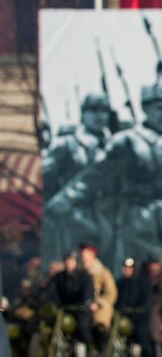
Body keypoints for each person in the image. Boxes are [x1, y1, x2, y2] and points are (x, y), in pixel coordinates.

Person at [46, 85, 162, 277]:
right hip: (131, 214)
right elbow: (95, 174)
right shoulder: (127, 140)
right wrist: (64, 200)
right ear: (145, 109)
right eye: (158, 109)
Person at [42, 93, 112, 267]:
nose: (99, 116)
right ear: (84, 113)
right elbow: (44, 177)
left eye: (104, 111)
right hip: (73, 215)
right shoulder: (67, 144)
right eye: (94, 110)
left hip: (110, 215)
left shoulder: (115, 145)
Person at [44, 251, 95, 357]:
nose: (68, 263)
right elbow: (49, 291)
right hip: (63, 309)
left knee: (82, 327)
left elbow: (87, 293)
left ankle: (90, 354)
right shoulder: (59, 277)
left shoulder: (85, 276)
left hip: (80, 310)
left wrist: (85, 302)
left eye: (71, 260)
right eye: (67, 260)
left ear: (76, 262)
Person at [116, 257, 154, 357]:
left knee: (142, 339)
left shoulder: (143, 283)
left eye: (128, 268)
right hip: (125, 317)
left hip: (140, 318)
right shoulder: (120, 284)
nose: (125, 270)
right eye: (125, 268)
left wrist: (140, 310)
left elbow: (147, 302)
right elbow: (117, 300)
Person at [79, 243, 117, 355]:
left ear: (93, 255)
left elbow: (111, 293)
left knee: (100, 325)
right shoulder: (78, 272)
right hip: (81, 306)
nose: (83, 256)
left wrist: (98, 303)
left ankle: (101, 352)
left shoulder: (103, 272)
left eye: (86, 253)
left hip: (99, 306)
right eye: (82, 253)